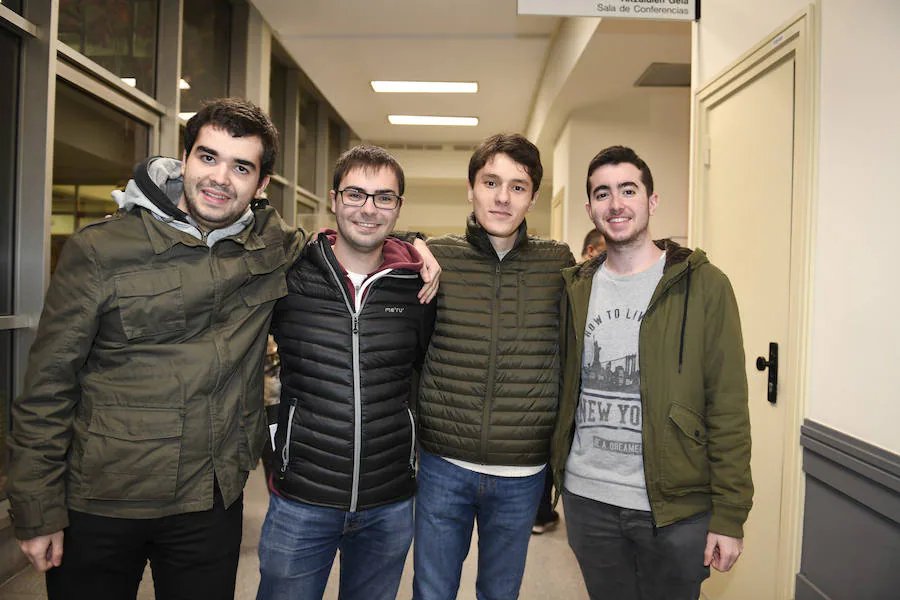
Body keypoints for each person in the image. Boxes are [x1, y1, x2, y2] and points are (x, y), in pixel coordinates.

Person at [7, 98, 438, 600]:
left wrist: (415, 245)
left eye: (241, 167)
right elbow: (46, 388)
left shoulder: (272, 248)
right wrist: (36, 509)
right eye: (208, 157)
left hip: (208, 503)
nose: (220, 178)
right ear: (184, 159)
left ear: (261, 185)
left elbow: (358, 232)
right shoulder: (101, 249)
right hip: (102, 500)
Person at [550, 145, 753, 600]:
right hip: (589, 501)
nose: (616, 204)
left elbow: (729, 406)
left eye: (628, 190)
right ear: (590, 209)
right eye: (603, 193)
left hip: (676, 508)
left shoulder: (703, 284)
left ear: (651, 201)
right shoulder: (574, 287)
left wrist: (730, 516)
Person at [257, 145, 435, 600]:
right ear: (334, 199)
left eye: (384, 197)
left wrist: (419, 245)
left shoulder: (417, 288)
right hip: (301, 500)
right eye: (356, 194)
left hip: (389, 502)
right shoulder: (292, 274)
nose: (369, 209)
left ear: (398, 208)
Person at [413, 133, 575, 600]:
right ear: (470, 188)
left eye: (517, 186)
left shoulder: (558, 264)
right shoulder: (436, 258)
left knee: (500, 594)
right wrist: (409, 240)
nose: (503, 197)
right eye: (490, 182)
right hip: (443, 463)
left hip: (522, 473)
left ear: (533, 197)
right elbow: (364, 238)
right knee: (432, 592)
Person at [532, 229, 605, 535]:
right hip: (558, 391)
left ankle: (543, 513)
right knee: (551, 450)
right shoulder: (570, 284)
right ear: (589, 250)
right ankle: (541, 513)